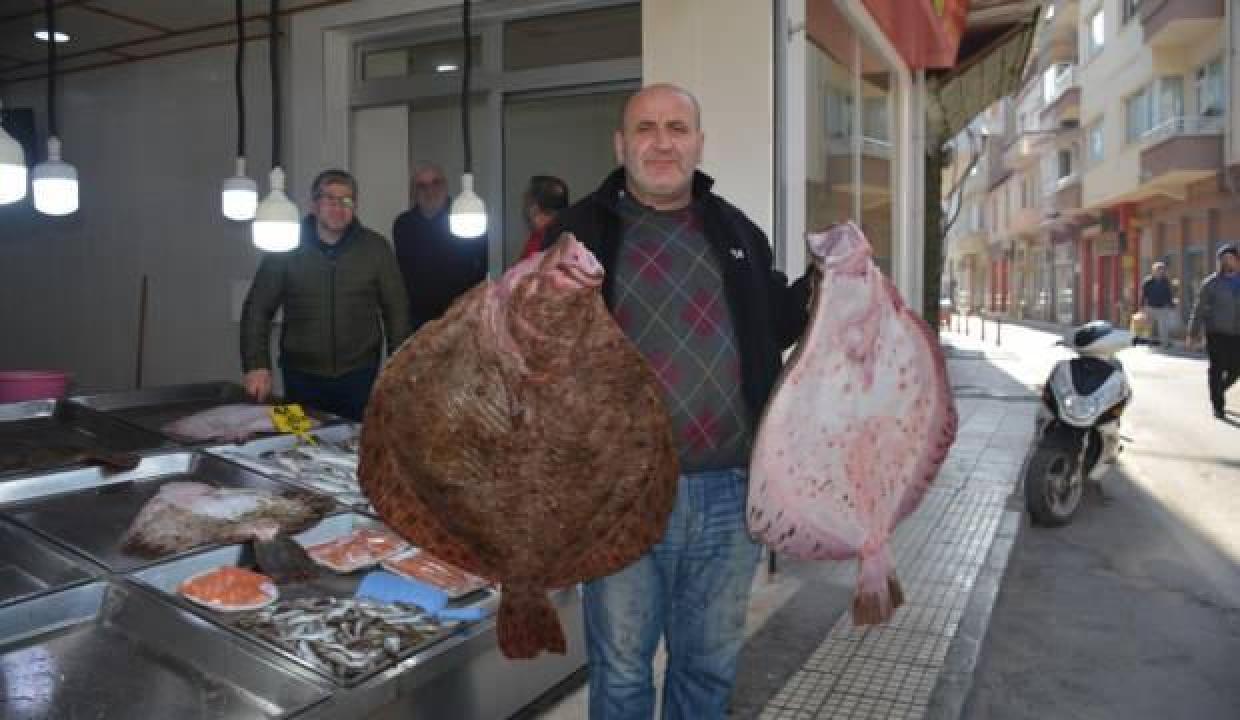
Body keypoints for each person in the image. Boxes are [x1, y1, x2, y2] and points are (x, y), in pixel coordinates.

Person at [542, 83, 813, 720]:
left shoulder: (736, 229)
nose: (661, 142)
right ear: (621, 143)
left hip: (729, 490)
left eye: (676, 127)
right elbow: (529, 346)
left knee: (708, 666)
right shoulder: (577, 230)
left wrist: (829, 281)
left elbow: (773, 324)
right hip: (619, 493)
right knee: (623, 669)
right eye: (645, 128)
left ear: (697, 141)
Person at [240, 169, 411, 421]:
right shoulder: (286, 245)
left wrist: (401, 367)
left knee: (356, 445)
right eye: (330, 199)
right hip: (299, 373)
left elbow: (397, 309)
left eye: (347, 200)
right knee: (297, 443)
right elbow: (258, 308)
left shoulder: (376, 248)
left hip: (359, 374)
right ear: (314, 204)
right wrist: (256, 365)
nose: (338, 207)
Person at [392, 162, 488, 332]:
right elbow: (403, 274)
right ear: (414, 192)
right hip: (419, 320)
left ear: (445, 185)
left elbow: (481, 268)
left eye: (436, 183)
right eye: (421, 186)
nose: (430, 190)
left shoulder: (468, 217)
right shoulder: (403, 225)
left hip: (461, 317)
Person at [1188, 243, 1240, 419]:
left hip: (1237, 333)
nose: (1228, 262)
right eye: (1224, 259)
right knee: (1217, 368)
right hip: (1216, 331)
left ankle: (1219, 390)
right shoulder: (1211, 283)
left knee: (1235, 370)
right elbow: (1199, 308)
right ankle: (1218, 405)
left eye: (1231, 258)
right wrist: (1193, 333)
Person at [518, 175, 570, 260]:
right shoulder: (572, 236)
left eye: (526, 202)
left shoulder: (540, 242)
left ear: (534, 208)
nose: (524, 208)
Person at [1139, 261, 1177, 348]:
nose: (1160, 272)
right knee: (1149, 328)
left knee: (1163, 327)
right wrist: (1141, 308)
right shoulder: (1147, 281)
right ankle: (1149, 343)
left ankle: (1165, 344)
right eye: (1158, 270)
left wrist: (1172, 305)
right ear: (1153, 271)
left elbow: (1169, 294)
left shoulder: (1166, 281)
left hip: (1162, 308)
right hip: (1150, 307)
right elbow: (1143, 295)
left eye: (1162, 270)